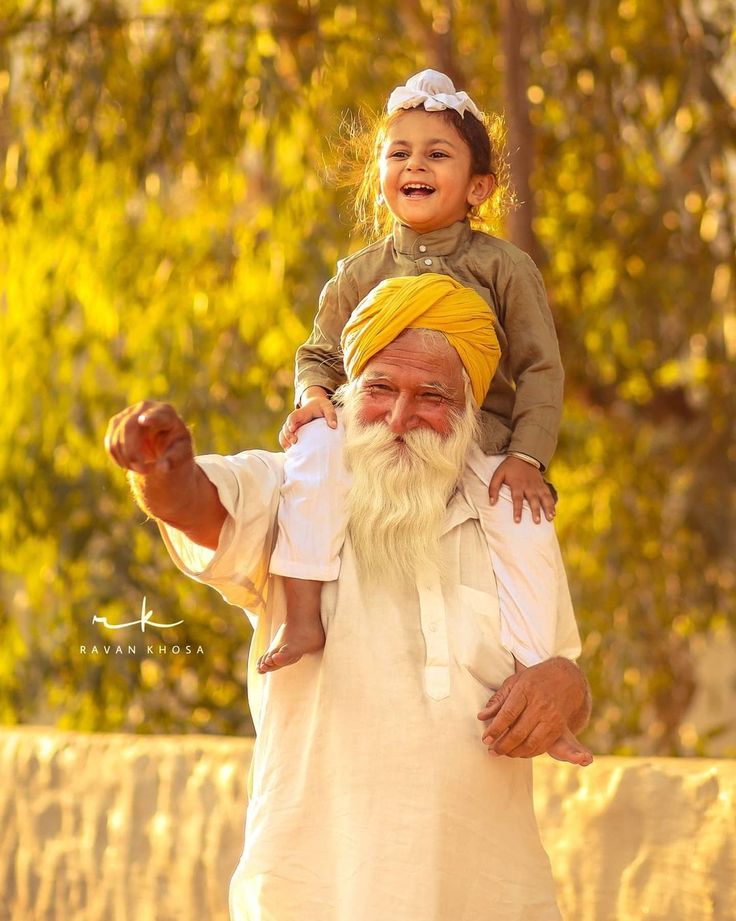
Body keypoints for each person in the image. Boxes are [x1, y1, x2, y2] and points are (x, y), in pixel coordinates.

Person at [105, 280, 593, 921]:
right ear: (345, 393)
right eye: (381, 389)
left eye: (432, 396)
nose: (399, 418)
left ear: (471, 407)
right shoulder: (298, 494)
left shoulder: (512, 513)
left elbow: (563, 680)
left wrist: (564, 686)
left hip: (492, 898)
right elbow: (204, 506)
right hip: (316, 899)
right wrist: (160, 475)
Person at [263, 69, 566, 685]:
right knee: (313, 448)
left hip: (475, 435)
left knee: (521, 519)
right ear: (379, 177)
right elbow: (320, 352)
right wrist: (315, 397)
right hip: (373, 429)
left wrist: (528, 458)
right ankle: (299, 617)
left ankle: (538, 674)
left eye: (436, 154)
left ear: (479, 187)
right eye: (398, 153)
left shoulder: (505, 268)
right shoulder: (359, 271)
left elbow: (540, 368)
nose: (414, 166)